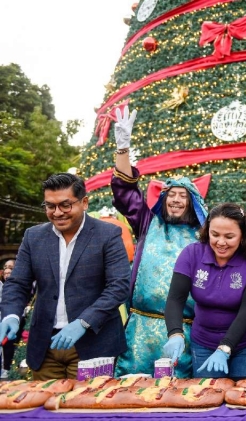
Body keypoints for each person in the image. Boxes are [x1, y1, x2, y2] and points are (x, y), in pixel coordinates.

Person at [0, 173, 130, 380]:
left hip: (93, 346)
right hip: (45, 346)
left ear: (84, 202)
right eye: (50, 206)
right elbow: (17, 283)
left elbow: (119, 286)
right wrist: (11, 315)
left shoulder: (108, 235)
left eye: (65, 205)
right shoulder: (33, 237)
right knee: (43, 408)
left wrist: (83, 322)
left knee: (84, 410)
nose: (57, 213)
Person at [111, 106, 208, 377]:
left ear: (192, 202)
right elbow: (125, 193)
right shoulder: (147, 222)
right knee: (131, 394)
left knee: (181, 398)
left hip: (186, 331)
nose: (176, 200)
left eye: (183, 196)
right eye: (171, 195)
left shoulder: (206, 233)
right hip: (140, 327)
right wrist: (123, 149)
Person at [163, 203, 246, 380]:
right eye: (215, 234)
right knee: (206, 396)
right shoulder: (191, 254)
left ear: (242, 235)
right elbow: (175, 298)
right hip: (204, 343)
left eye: (229, 236)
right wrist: (175, 333)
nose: (221, 242)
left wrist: (225, 348)